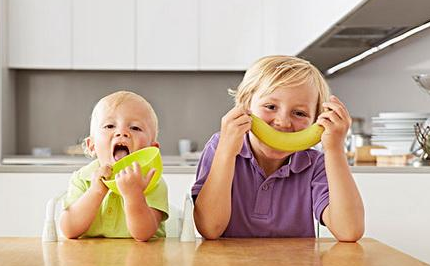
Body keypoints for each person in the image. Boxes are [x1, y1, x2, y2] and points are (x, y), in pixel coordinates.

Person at [192, 55, 364, 241]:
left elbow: (349, 231)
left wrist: (334, 149)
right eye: (271, 106)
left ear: (316, 121)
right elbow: (209, 228)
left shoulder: (315, 164)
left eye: (299, 113)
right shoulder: (221, 146)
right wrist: (226, 153)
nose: (283, 122)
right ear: (245, 106)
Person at [60, 90, 168, 241]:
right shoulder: (83, 178)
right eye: (110, 126)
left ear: (152, 149)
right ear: (92, 145)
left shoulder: (152, 181)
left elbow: (144, 234)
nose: (122, 132)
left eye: (135, 128)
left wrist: (134, 195)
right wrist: (96, 191)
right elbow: (69, 230)